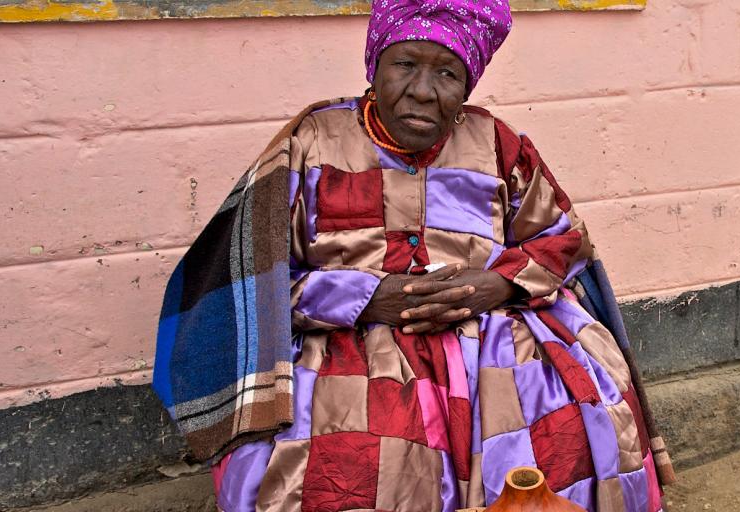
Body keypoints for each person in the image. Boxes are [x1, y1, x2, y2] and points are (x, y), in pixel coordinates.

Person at [154, 1, 672, 510]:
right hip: (345, 342)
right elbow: (248, 275)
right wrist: (364, 296)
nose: (423, 92)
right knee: (346, 459)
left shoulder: (496, 142)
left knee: (571, 423)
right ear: (374, 66)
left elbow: (560, 238)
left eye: (447, 73)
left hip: (492, 331)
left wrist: (500, 284)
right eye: (404, 65)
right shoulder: (311, 141)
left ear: (467, 86)